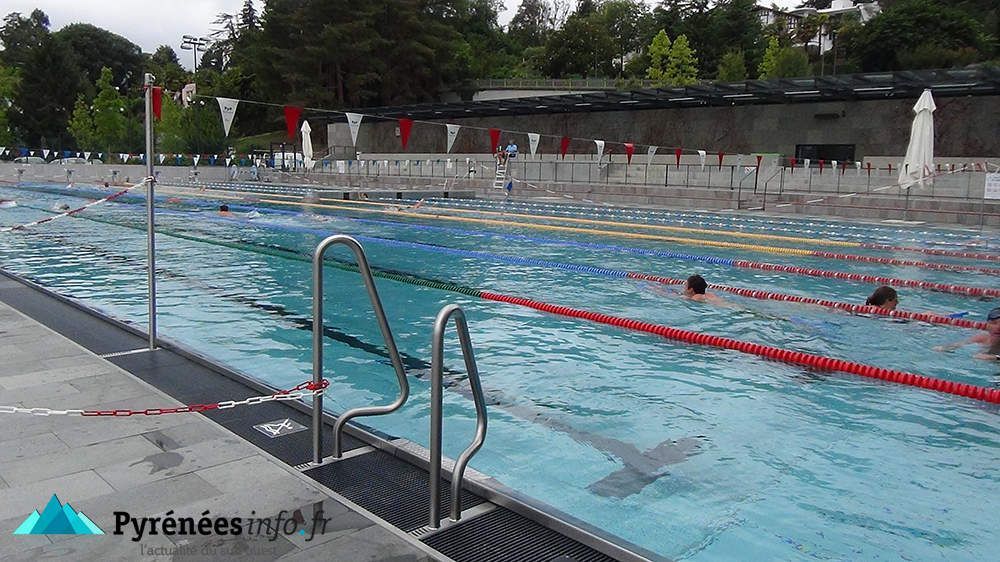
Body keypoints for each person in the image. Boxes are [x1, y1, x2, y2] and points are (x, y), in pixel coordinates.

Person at [934, 307, 1000, 360]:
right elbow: (960, 344)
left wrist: (995, 358)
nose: (998, 327)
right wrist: (945, 348)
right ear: (987, 324)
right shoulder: (983, 337)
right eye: (993, 323)